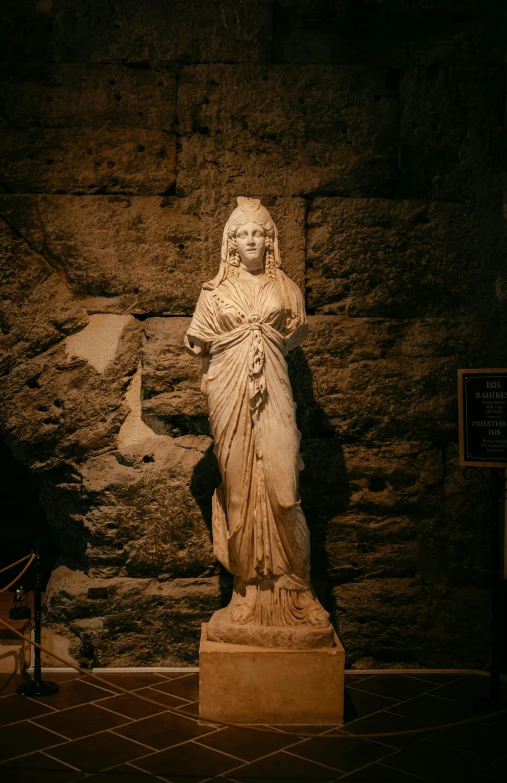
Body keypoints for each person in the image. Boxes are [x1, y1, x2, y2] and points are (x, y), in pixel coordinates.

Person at [184, 197, 331, 641]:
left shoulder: (287, 289)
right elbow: (200, 345)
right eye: (242, 234)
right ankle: (247, 590)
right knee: (240, 494)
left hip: (275, 396)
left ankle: (298, 589)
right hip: (229, 400)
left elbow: (294, 333)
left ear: (270, 241)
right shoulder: (214, 293)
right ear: (230, 243)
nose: (251, 240)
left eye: (258, 233)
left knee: (285, 488)